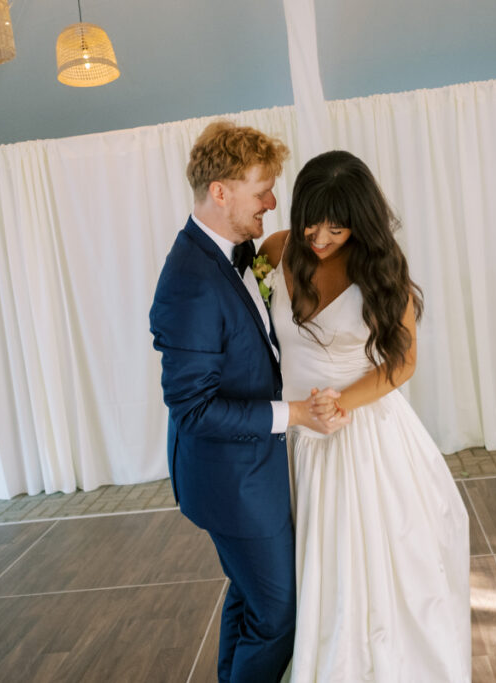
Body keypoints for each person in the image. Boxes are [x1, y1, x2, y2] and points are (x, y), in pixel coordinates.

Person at [259, 150, 472, 682]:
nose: (321, 237)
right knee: (298, 571)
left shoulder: (381, 266)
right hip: (292, 433)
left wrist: (339, 404)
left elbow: (403, 361)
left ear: (360, 220)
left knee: (366, 572)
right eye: (312, 222)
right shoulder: (275, 250)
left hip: (362, 433)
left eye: (337, 227)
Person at [149, 121, 349, 683]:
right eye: (262, 190)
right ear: (221, 192)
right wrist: (296, 414)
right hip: (230, 481)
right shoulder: (190, 280)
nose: (272, 202)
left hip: (252, 469)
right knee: (280, 615)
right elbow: (192, 409)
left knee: (250, 597)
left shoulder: (235, 252)